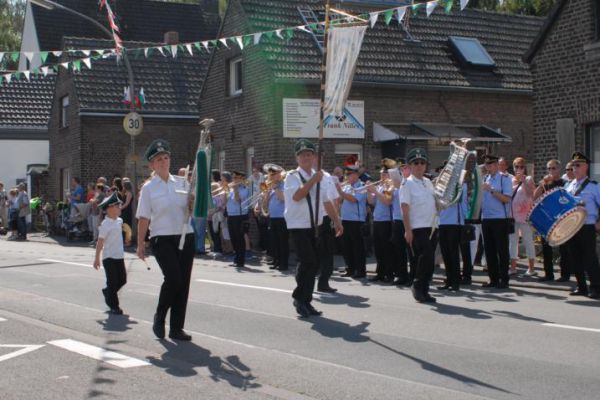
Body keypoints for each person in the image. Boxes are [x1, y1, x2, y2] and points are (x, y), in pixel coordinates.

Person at [136, 139, 195, 341]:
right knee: (173, 279)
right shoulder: (149, 188)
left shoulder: (183, 183)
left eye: (166, 158)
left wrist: (193, 203)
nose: (163, 162)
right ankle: (160, 316)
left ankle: (177, 328)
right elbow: (144, 217)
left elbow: (192, 210)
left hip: (185, 235)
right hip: (162, 238)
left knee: (183, 282)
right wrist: (140, 243)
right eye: (158, 159)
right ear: (152, 165)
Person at [284, 139, 343, 318]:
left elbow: (326, 202)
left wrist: (337, 221)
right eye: (302, 155)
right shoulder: (292, 176)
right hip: (298, 225)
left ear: (313, 157)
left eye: (309, 154)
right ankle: (300, 298)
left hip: (314, 226)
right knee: (308, 261)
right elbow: (297, 196)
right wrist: (312, 181)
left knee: (312, 263)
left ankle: (306, 300)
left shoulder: (320, 177)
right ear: (297, 158)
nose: (306, 157)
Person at [401, 148, 438, 303]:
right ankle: (417, 285)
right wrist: (407, 230)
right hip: (417, 227)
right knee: (424, 258)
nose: (419, 166)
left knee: (429, 261)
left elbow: (434, 203)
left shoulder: (428, 182)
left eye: (422, 163)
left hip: (432, 226)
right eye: (416, 163)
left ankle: (425, 289)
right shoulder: (407, 184)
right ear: (410, 166)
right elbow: (404, 208)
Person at [564, 152, 600, 299]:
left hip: (587, 225)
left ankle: (596, 288)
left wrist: (598, 223)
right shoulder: (568, 186)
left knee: (590, 258)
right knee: (575, 258)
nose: (575, 168)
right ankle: (581, 286)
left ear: (585, 167)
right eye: (573, 165)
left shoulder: (594, 186)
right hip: (572, 227)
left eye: (578, 165)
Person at [533, 159, 570, 282]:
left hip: (561, 218)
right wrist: (541, 184)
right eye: (549, 168)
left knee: (563, 248)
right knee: (546, 247)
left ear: (559, 169)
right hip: (548, 220)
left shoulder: (564, 183)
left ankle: (565, 274)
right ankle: (548, 274)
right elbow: (535, 197)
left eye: (553, 168)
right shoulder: (546, 184)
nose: (551, 171)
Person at [481, 154, 513, 289]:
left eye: (491, 164)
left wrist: (492, 190)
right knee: (489, 250)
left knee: (502, 250)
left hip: (500, 219)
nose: (489, 167)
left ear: (496, 165)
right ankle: (493, 279)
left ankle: (504, 279)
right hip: (486, 218)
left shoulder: (504, 179)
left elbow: (507, 199)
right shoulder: (485, 178)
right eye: (487, 165)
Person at [93, 192, 126, 315]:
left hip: (119, 256)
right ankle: (114, 306)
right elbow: (100, 242)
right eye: (117, 206)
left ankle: (108, 292)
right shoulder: (105, 224)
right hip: (109, 257)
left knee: (122, 280)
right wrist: (97, 258)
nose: (119, 208)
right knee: (112, 282)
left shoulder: (119, 221)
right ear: (110, 209)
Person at [367, 160, 396, 283]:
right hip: (377, 221)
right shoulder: (379, 186)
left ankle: (389, 274)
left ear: (389, 174)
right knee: (378, 249)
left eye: (384, 173)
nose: (382, 176)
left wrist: (375, 191)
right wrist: (369, 191)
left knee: (386, 249)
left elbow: (387, 201)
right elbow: (370, 202)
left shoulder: (390, 186)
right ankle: (380, 273)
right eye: (381, 173)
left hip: (386, 221)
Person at [337, 165, 368, 279]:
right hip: (345, 219)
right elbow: (339, 200)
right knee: (347, 246)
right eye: (346, 175)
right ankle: (350, 268)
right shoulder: (346, 187)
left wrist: (340, 191)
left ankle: (360, 271)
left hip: (356, 220)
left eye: (349, 174)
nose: (347, 177)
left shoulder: (362, 186)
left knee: (357, 247)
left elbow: (353, 199)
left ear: (356, 175)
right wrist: (338, 191)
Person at [437, 183, 468, 291]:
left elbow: (463, 202)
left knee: (453, 253)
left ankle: (455, 282)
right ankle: (449, 280)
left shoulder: (460, 185)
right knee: (445, 253)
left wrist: (464, 220)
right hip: (441, 222)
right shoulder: (441, 184)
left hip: (454, 222)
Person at [509, 157, 536, 276]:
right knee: (512, 242)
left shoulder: (528, 179)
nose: (519, 169)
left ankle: (531, 268)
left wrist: (524, 181)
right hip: (512, 215)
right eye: (516, 166)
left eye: (521, 166)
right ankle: (513, 267)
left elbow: (531, 194)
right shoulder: (510, 180)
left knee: (528, 241)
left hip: (525, 215)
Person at [262, 164, 289, 271]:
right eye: (270, 174)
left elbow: (283, 199)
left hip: (282, 217)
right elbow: (265, 203)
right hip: (273, 217)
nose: (271, 177)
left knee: (282, 241)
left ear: (279, 175)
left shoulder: (284, 185)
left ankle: (284, 263)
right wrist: (267, 193)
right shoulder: (271, 186)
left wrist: (276, 188)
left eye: (273, 174)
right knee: (274, 241)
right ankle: (276, 261)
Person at [391, 161, 411, 286]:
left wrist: (401, 186)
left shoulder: (411, 182)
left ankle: (413, 276)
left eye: (405, 168)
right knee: (399, 249)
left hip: (409, 219)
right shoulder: (396, 183)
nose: (403, 170)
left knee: (411, 250)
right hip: (397, 219)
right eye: (401, 168)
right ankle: (401, 274)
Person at [226, 170, 250, 268]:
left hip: (240, 216)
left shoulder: (245, 188)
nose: (234, 180)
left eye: (236, 178)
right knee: (233, 238)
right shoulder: (230, 189)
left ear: (242, 179)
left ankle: (241, 260)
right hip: (231, 215)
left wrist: (235, 189)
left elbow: (238, 200)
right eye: (233, 178)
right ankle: (236, 258)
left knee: (239, 238)